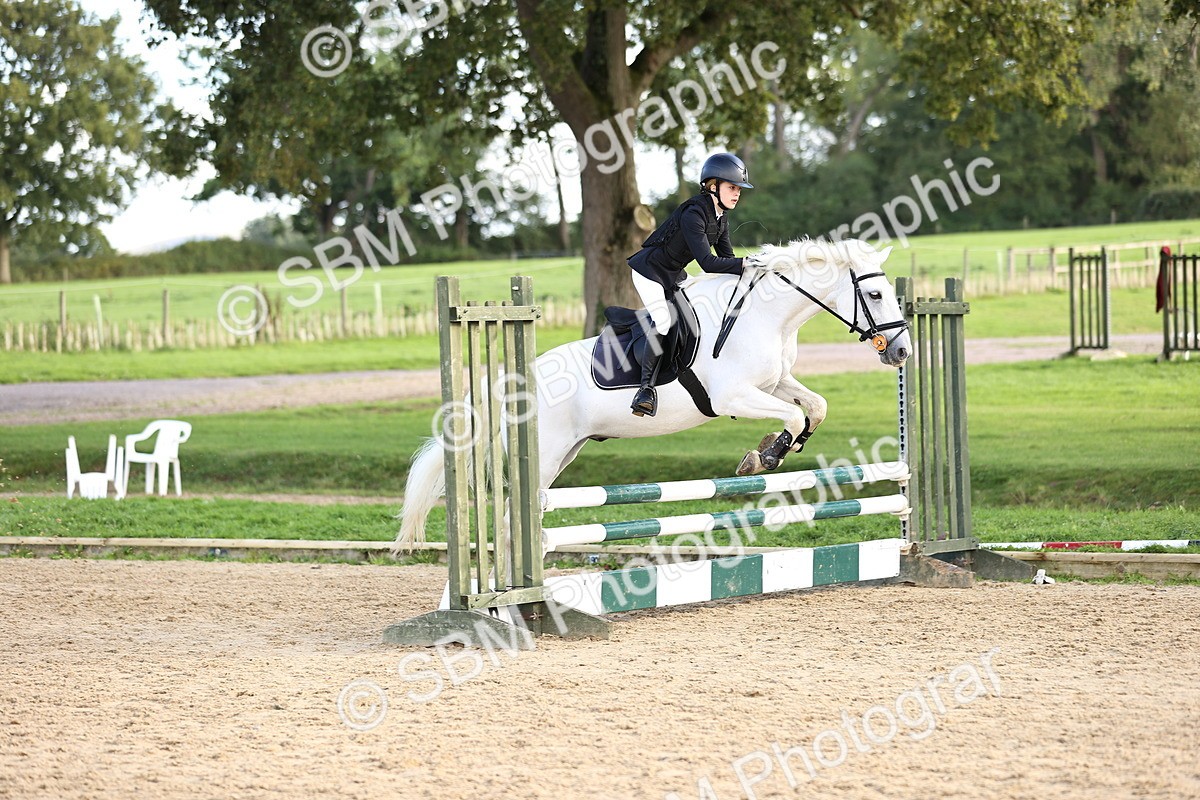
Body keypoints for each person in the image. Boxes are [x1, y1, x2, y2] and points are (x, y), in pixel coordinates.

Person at [625, 152, 760, 416]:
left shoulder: (720, 216)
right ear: (713, 186)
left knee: (696, 316)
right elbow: (708, 264)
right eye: (732, 187)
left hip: (673, 274)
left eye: (739, 190)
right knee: (664, 321)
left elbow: (727, 260)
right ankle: (645, 391)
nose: (737, 194)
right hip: (648, 272)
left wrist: (754, 273)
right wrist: (748, 263)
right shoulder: (694, 213)